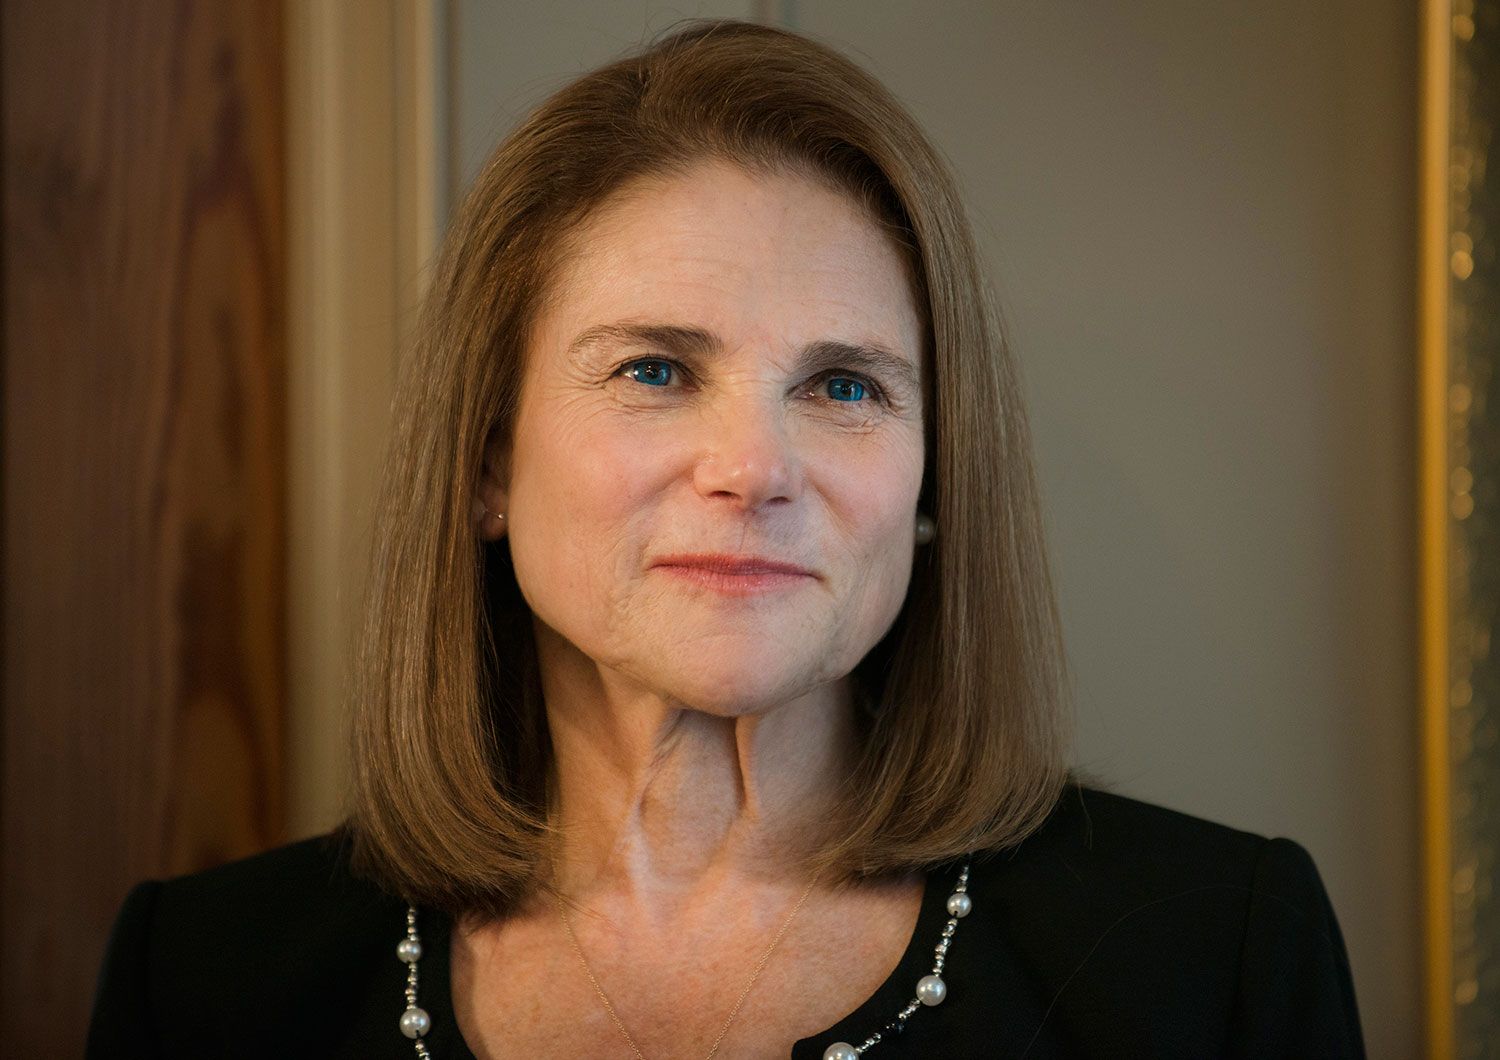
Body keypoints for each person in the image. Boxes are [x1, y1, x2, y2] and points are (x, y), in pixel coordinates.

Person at [86, 19, 1365, 1059]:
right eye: (652, 369)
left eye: (845, 385)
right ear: (487, 463)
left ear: (933, 478)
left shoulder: (1215, 957)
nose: (754, 468)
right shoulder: (204, 983)